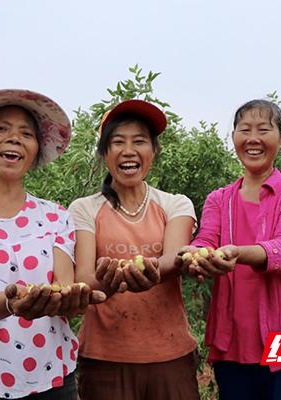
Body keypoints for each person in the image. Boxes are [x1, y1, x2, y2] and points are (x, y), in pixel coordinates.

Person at [0, 89, 105, 399]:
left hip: (52, 377)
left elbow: (62, 285)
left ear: (35, 150)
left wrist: (74, 298)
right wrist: (13, 303)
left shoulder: (55, 216)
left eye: (26, 133)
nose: (14, 138)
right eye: (1, 129)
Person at [178, 99, 281, 400]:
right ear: (234, 136)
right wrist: (194, 256)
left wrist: (237, 253)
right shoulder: (219, 200)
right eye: (244, 129)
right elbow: (206, 239)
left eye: (264, 129)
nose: (253, 138)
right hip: (234, 341)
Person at [69, 99, 200, 400]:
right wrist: (116, 280)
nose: (129, 150)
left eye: (139, 141)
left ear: (153, 152)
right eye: (117, 142)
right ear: (104, 153)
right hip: (105, 358)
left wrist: (146, 271)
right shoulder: (84, 210)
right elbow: (85, 278)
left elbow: (175, 259)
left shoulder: (175, 204)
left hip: (170, 355)